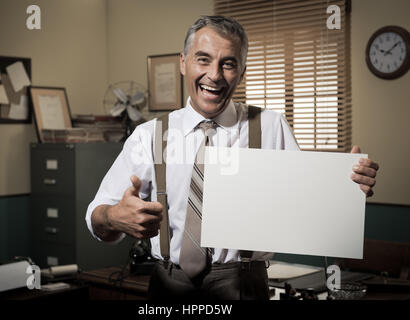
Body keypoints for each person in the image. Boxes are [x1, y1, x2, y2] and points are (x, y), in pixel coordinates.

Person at [86, 16, 379, 300]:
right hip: (168, 283)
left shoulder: (270, 127)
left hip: (243, 283)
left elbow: (307, 208)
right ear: (183, 62)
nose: (214, 75)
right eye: (203, 59)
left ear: (242, 72)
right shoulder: (147, 136)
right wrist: (113, 217)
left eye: (228, 64)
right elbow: (96, 217)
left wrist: (347, 193)